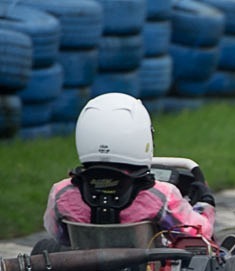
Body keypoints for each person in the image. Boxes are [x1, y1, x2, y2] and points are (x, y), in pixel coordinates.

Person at [44, 92, 215, 246]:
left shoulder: (61, 193)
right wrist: (205, 204)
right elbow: (197, 235)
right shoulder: (161, 195)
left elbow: (61, 238)